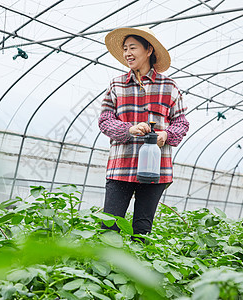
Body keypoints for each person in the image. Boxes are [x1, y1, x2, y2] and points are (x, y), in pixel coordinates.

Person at [99, 27, 189, 237]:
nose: (127, 53)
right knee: (108, 227)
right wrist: (128, 129)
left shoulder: (169, 86)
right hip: (121, 166)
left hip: (155, 170)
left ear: (148, 50)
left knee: (142, 229)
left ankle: (136, 268)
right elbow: (104, 120)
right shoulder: (117, 85)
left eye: (133, 47)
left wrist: (165, 135)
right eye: (124, 49)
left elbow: (181, 122)